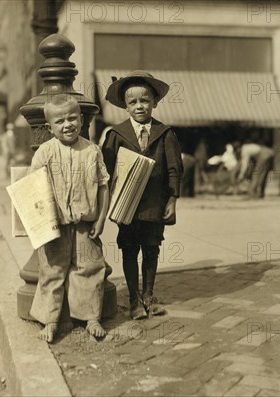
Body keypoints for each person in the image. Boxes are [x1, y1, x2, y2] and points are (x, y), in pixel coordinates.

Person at [101, 71, 183, 320]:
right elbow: (106, 170)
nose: (139, 106)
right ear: (125, 106)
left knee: (151, 248)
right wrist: (110, 202)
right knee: (129, 249)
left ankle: (149, 294)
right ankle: (134, 299)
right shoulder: (116, 135)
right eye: (133, 102)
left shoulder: (164, 133)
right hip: (127, 206)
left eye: (145, 100)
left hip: (154, 205)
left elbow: (174, 168)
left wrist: (172, 200)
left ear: (155, 102)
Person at [29, 95, 110, 342]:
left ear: (82, 119)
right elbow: (32, 188)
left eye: (72, 118)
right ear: (50, 127)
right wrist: (39, 223)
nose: (67, 125)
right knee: (52, 269)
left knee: (90, 267)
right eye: (60, 121)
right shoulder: (45, 152)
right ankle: (49, 320)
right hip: (55, 224)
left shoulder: (92, 150)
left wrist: (101, 219)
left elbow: (104, 186)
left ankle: (90, 316)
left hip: (86, 223)